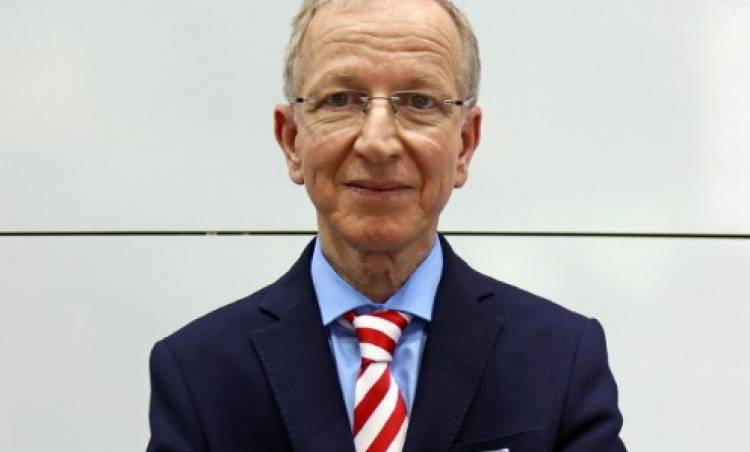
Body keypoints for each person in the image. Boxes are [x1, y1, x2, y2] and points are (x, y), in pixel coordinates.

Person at [146, 0, 626, 451]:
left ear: (464, 144)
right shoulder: (199, 373)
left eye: (419, 101)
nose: (377, 142)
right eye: (340, 99)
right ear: (291, 140)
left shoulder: (559, 360)